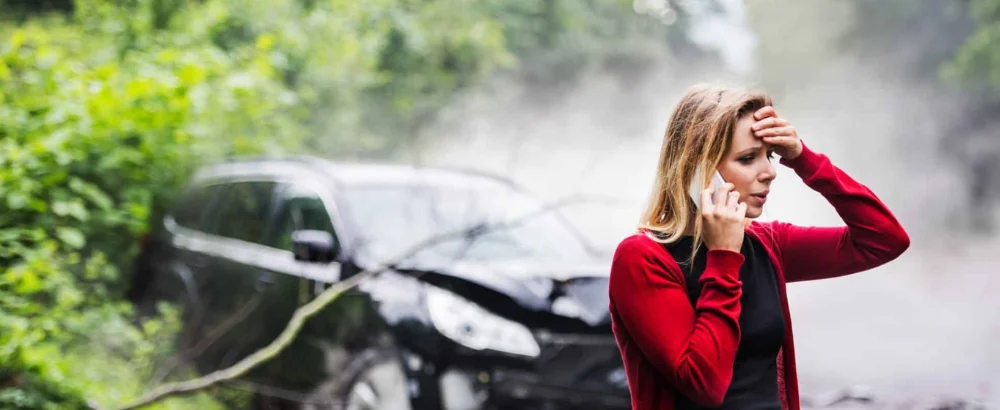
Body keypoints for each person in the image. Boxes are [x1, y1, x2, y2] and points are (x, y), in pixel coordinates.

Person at [607, 84, 910, 410]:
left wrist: (804, 158)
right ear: (696, 170)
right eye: (748, 158)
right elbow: (704, 383)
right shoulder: (642, 258)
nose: (769, 172)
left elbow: (884, 239)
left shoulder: (766, 244)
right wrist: (724, 258)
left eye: (770, 155)